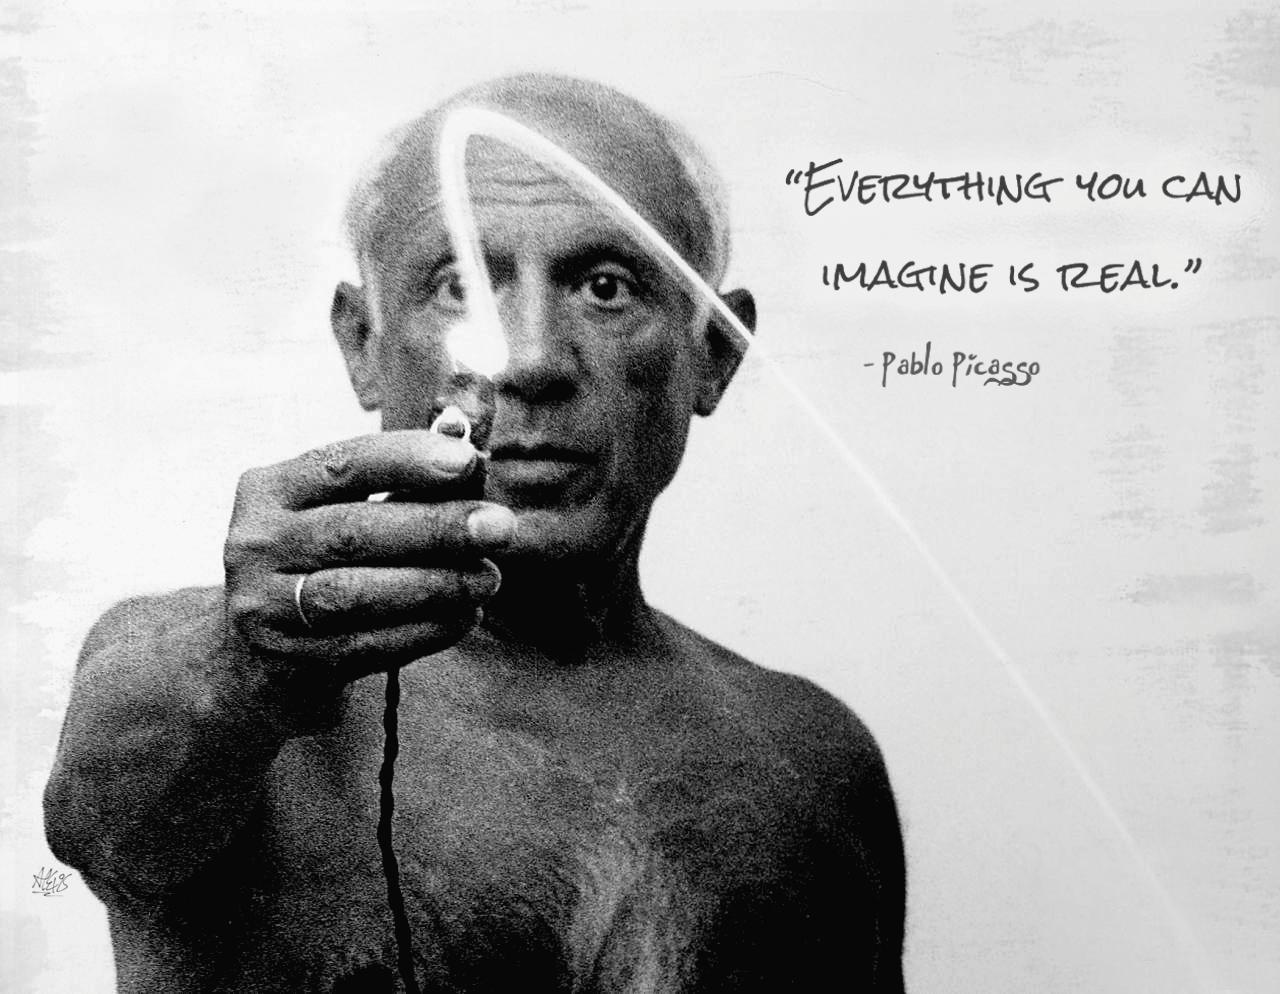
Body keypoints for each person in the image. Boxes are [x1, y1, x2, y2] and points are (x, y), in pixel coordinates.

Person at [44, 73, 906, 993]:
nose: (530, 359)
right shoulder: (215, 686)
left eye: (606, 288)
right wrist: (238, 665)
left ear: (715, 355)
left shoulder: (815, 764)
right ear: (363, 344)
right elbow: (108, 829)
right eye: (458, 284)